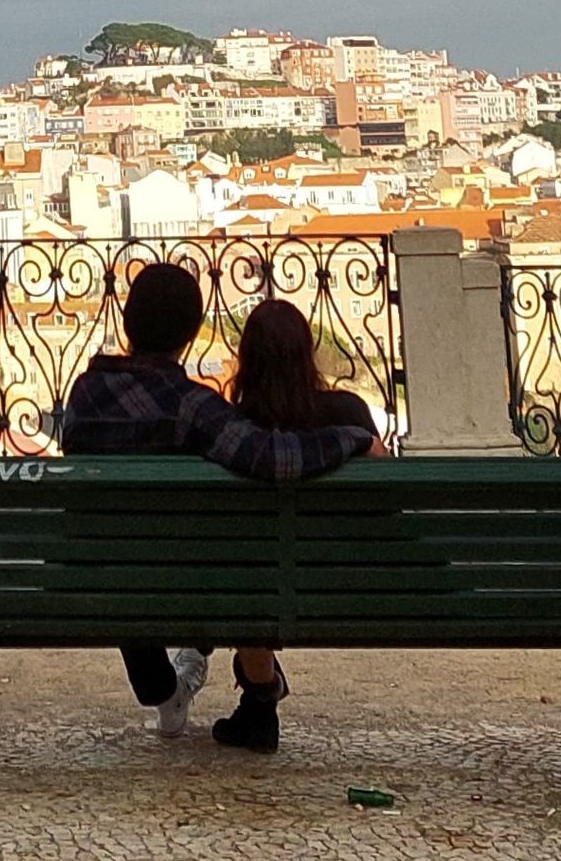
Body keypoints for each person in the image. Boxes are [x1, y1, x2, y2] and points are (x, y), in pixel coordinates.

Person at [59, 263, 376, 740]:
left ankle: (166, 691)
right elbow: (275, 458)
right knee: (223, 556)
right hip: (191, 580)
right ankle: (250, 690)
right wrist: (351, 438)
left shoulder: (83, 396)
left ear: (126, 321)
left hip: (103, 576)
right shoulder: (193, 406)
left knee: (127, 558)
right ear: (190, 334)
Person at [210, 296, 384, 753]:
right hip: (348, 585)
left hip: (256, 590)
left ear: (246, 359)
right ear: (308, 353)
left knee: (246, 577)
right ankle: (258, 707)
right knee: (255, 575)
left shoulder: (231, 430)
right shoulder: (350, 415)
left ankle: (260, 703)